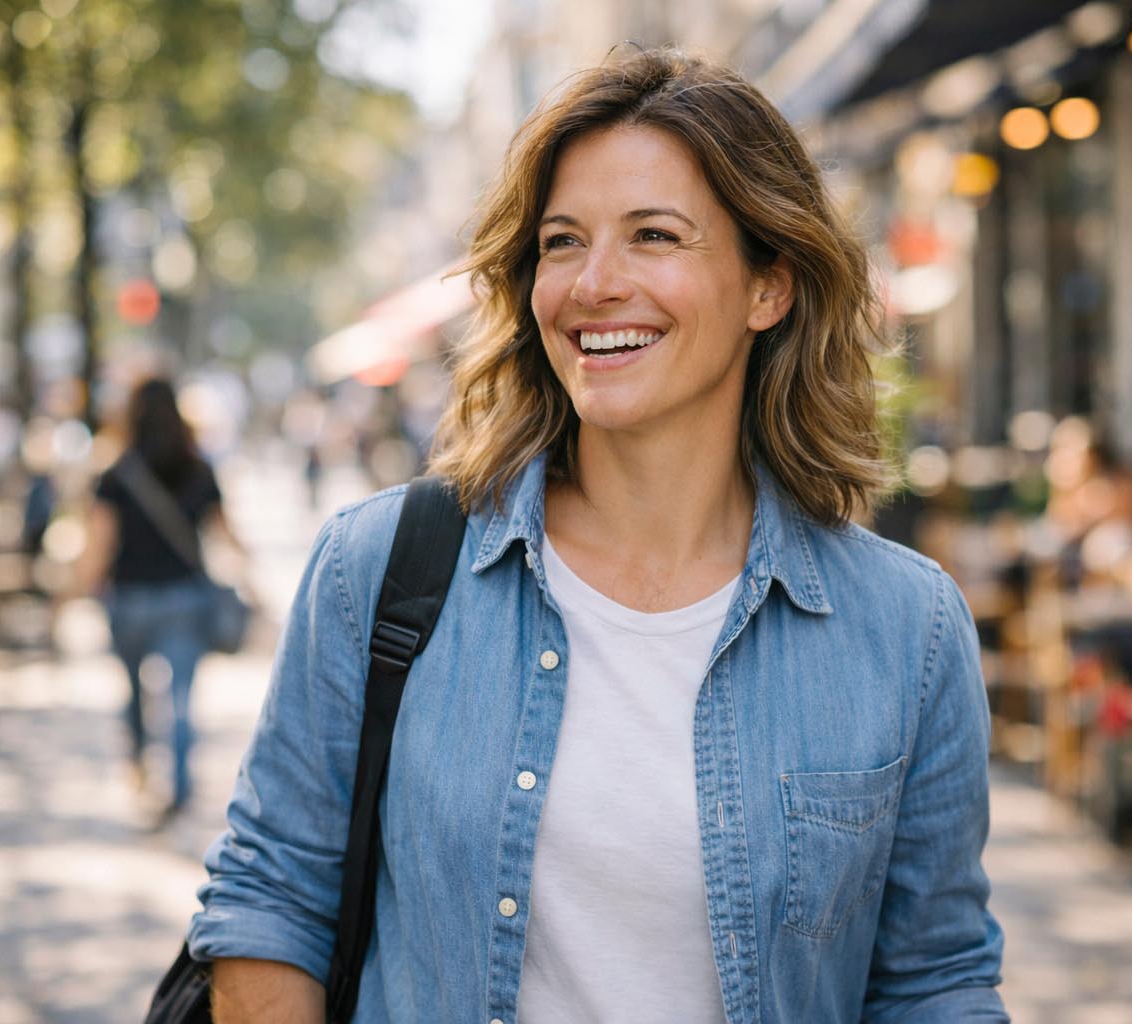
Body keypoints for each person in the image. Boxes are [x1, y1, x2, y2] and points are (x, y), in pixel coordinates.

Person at [191, 47, 1006, 1022]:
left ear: (768, 287)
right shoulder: (378, 571)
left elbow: (932, 982)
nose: (593, 284)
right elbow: (269, 909)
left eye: (654, 235)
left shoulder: (906, 629)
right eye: (563, 241)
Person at [76, 377, 246, 814]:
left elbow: (101, 543)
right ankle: (181, 787)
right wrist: (252, 576)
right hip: (185, 597)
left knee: (133, 691)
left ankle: (138, 769)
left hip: (129, 599)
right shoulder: (198, 468)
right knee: (181, 699)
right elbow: (226, 533)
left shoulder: (115, 473)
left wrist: (73, 591)